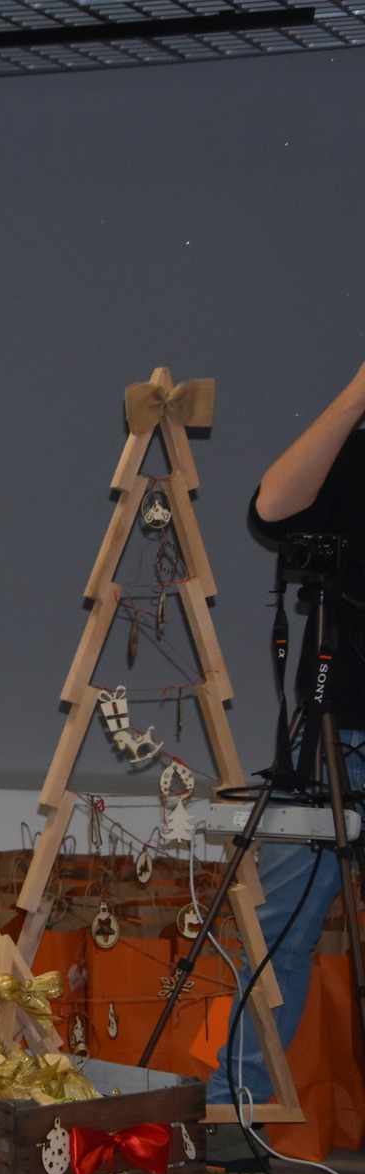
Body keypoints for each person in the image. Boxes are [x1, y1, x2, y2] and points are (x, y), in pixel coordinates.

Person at [210, 360, 365, 1122]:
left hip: (341, 731)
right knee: (278, 933)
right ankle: (236, 1112)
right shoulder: (356, 449)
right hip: (339, 728)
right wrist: (358, 393)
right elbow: (272, 509)